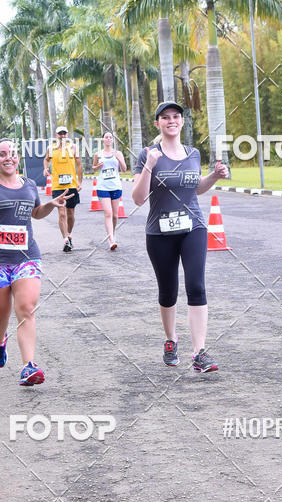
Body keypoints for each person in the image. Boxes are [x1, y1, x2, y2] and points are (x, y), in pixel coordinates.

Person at [132, 101, 228, 372]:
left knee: (196, 285)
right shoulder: (148, 154)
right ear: (157, 123)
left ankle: (199, 353)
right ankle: (171, 339)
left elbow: (194, 188)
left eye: (176, 117)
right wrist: (150, 165)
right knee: (168, 291)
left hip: (193, 227)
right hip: (160, 231)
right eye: (165, 117)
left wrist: (214, 176)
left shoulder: (193, 153)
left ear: (182, 122)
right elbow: (138, 198)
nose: (171, 121)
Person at [0, 138, 72, 386]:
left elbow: (36, 213)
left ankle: (28, 366)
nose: (8, 158)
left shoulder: (29, 184)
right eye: (3, 154)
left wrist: (50, 204)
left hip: (27, 257)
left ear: (18, 158)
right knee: (1, 314)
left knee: (26, 308)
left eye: (12, 154)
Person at [44, 126, 82, 252]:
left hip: (71, 185)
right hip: (57, 186)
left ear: (67, 135)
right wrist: (45, 168)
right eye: (60, 134)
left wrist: (80, 182)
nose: (62, 136)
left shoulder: (73, 148)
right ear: (56, 136)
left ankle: (69, 235)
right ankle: (65, 239)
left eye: (64, 133)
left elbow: (79, 164)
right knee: (61, 212)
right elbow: (46, 159)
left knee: (70, 213)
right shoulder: (51, 148)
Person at [93, 131, 127, 250]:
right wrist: (98, 166)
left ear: (113, 140)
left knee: (115, 216)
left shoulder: (118, 153)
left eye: (110, 137)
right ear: (103, 140)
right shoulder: (98, 154)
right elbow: (93, 168)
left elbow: (124, 169)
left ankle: (112, 233)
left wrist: (120, 159)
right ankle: (111, 239)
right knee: (108, 213)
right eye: (106, 137)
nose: (108, 139)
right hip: (103, 187)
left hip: (116, 186)